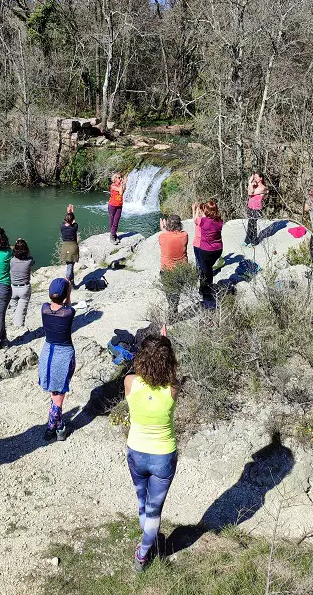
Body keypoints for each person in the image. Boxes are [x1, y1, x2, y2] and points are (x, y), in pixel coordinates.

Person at [124, 329, 178, 572]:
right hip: (163, 457)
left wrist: (156, 345)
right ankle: (142, 554)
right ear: (168, 361)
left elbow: (141, 372)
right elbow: (171, 374)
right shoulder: (173, 389)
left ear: (141, 358)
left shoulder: (130, 383)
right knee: (155, 510)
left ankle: (149, 539)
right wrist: (164, 345)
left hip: (136, 452)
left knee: (142, 503)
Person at [39, 278, 76, 442]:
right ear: (65, 294)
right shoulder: (68, 313)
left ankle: (58, 427)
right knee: (58, 398)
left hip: (48, 354)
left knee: (55, 394)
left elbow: (58, 303)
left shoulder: (44, 309)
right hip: (63, 355)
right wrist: (69, 292)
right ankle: (54, 429)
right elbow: (67, 305)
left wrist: (64, 292)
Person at [194, 201, 223, 306]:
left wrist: (196, 210)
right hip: (218, 250)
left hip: (206, 251)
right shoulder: (220, 221)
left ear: (206, 212)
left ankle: (206, 293)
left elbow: (195, 220)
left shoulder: (204, 221)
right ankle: (205, 288)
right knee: (208, 268)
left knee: (205, 271)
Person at [159, 215, 189, 317]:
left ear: (168, 225)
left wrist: (163, 229)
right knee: (177, 290)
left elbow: (165, 238)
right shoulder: (184, 235)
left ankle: (172, 309)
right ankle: (174, 307)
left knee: (169, 290)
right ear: (180, 224)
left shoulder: (163, 236)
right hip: (181, 268)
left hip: (167, 269)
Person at [10, 238, 34, 329]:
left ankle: (13, 326)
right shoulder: (29, 261)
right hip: (24, 289)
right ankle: (19, 330)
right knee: (21, 314)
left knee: (13, 310)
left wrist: (17, 243)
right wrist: (23, 245)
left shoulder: (11, 261)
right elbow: (31, 258)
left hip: (12, 288)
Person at [243, 172, 267, 247]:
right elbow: (249, 192)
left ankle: (252, 240)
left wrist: (250, 182)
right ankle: (249, 240)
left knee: (253, 223)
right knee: (250, 223)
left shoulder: (263, 187)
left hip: (257, 208)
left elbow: (252, 192)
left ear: (261, 178)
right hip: (250, 207)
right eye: (254, 177)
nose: (254, 179)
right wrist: (251, 184)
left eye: (256, 177)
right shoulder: (254, 186)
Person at [60, 205, 79, 286]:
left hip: (65, 247)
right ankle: (67, 281)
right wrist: (72, 213)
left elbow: (67, 221)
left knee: (69, 265)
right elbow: (73, 221)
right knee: (70, 266)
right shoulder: (74, 227)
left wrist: (69, 212)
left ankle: (72, 283)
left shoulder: (62, 226)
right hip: (73, 247)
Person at [108, 172, 128, 244]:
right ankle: (112, 235)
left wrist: (124, 183)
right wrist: (123, 184)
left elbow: (123, 191)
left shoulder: (121, 185)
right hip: (112, 205)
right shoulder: (113, 185)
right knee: (112, 220)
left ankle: (113, 234)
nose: (120, 179)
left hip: (119, 205)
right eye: (119, 177)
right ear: (115, 179)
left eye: (121, 177)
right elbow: (120, 192)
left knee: (116, 221)